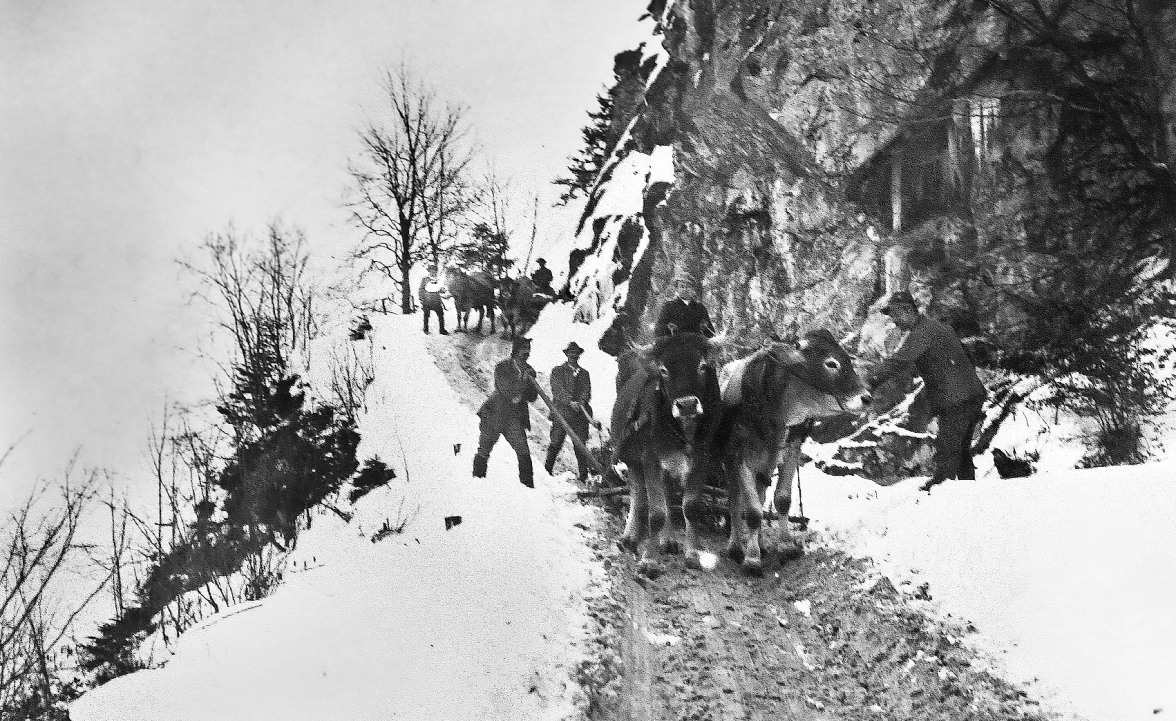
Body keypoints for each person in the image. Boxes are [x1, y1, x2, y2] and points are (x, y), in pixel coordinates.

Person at [869, 290, 987, 491]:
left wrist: (869, 382)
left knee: (947, 451)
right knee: (961, 452)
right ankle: (970, 497)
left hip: (957, 399)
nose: (895, 321)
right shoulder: (936, 327)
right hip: (970, 395)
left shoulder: (923, 332)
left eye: (896, 315)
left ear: (907, 310)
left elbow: (899, 361)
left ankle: (940, 493)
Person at [473, 336, 539, 488]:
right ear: (516, 350)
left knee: (523, 452)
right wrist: (523, 381)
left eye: (529, 349)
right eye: (524, 349)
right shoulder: (502, 367)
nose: (527, 352)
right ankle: (476, 484)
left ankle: (528, 488)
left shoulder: (530, 371)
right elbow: (507, 391)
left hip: (514, 418)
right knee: (484, 450)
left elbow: (532, 397)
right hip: (494, 414)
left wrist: (529, 384)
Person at [544, 342, 594, 481]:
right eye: (571, 352)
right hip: (562, 413)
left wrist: (582, 401)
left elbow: (587, 390)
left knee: (580, 446)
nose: (573, 355)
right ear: (566, 354)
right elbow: (557, 389)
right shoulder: (557, 371)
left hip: (579, 416)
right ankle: (546, 472)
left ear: (579, 355)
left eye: (576, 353)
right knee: (556, 443)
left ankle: (583, 476)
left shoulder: (584, 374)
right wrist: (569, 402)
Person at [654, 267, 715, 338]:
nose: (685, 289)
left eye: (688, 286)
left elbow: (711, 334)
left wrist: (705, 328)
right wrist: (667, 327)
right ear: (677, 288)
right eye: (682, 286)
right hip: (675, 345)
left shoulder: (700, 308)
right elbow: (657, 331)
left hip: (696, 346)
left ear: (692, 289)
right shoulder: (669, 306)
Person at [418, 264, 448, 335]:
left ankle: (442, 330)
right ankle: (426, 329)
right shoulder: (425, 279)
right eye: (431, 271)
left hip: (436, 300)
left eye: (434, 271)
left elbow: (441, 289)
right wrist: (421, 298)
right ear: (429, 272)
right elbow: (421, 289)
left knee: (441, 315)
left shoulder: (439, 280)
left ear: (436, 272)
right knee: (426, 315)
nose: (432, 273)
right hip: (427, 300)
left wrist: (443, 290)